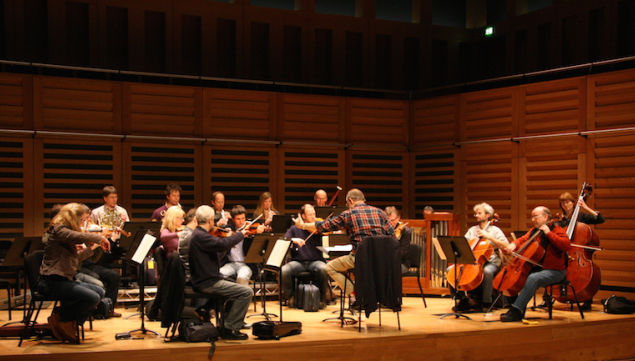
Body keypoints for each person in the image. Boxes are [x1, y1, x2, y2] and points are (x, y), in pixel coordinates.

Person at [293, 189, 394, 300]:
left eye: (347, 204)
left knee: (330, 267)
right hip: (382, 259)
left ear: (350, 201)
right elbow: (392, 237)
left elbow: (324, 226)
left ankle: (356, 294)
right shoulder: (380, 213)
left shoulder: (349, 213)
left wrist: (302, 226)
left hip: (360, 258)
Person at [38, 203, 110, 343]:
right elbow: (75, 235)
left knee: (99, 292)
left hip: (64, 279)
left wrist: (94, 247)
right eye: (82, 220)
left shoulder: (65, 234)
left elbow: (76, 259)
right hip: (51, 282)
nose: (83, 223)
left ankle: (68, 323)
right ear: (72, 218)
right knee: (93, 297)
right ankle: (61, 318)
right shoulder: (58, 230)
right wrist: (99, 237)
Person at [188, 205, 253, 340]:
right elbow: (222, 245)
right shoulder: (201, 236)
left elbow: (218, 251)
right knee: (246, 292)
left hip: (208, 278)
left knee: (235, 286)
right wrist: (240, 234)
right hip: (207, 282)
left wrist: (228, 240)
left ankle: (224, 323)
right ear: (211, 220)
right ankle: (230, 328)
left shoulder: (199, 234)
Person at [500, 206, 571, 322]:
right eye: (532, 217)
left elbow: (566, 245)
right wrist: (513, 245)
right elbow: (522, 240)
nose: (533, 219)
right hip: (539, 268)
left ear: (545, 217)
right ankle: (515, 307)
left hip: (555, 271)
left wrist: (549, 234)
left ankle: (517, 310)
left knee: (533, 278)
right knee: (516, 276)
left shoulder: (557, 230)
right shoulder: (535, 231)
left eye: (535, 216)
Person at [457, 203, 509, 311]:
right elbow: (463, 244)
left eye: (479, 213)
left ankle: (487, 302)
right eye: (476, 213)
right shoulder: (472, 230)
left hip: (491, 262)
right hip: (474, 261)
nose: (476, 215)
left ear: (487, 215)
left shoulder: (495, 230)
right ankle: (463, 300)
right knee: (452, 270)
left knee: (487, 271)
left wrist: (490, 237)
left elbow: (506, 245)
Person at [282, 204, 329, 304]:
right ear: (303, 216)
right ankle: (289, 297)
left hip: (316, 261)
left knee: (324, 269)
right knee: (284, 270)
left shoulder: (318, 226)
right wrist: (293, 239)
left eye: (314, 214)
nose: (313, 216)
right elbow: (284, 239)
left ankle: (322, 298)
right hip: (298, 262)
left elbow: (327, 231)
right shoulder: (294, 229)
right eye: (310, 214)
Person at [220, 205, 265, 286]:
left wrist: (259, 234)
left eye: (243, 218)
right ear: (233, 219)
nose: (241, 222)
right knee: (218, 274)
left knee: (242, 277)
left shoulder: (250, 230)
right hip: (230, 264)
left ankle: (243, 297)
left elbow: (259, 247)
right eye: (238, 219)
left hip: (245, 265)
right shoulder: (229, 229)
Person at [385, 206, 411, 275]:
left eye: (392, 220)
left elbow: (403, 252)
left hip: (401, 263)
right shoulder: (383, 230)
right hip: (385, 262)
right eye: (388, 221)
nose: (390, 223)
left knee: (386, 271)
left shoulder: (405, 231)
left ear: (398, 218)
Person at [178, 208, 198, 283]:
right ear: (195, 219)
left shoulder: (186, 232)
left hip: (189, 275)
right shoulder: (192, 236)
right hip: (193, 278)